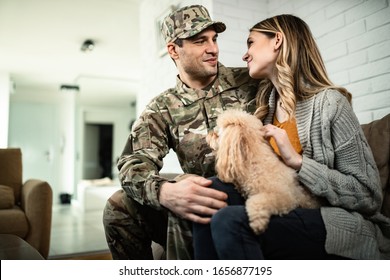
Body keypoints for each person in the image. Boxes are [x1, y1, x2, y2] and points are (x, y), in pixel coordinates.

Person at [193, 14, 390, 260]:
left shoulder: (331, 104)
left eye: (250, 42)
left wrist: (298, 163)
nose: (245, 55)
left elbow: (368, 196)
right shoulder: (265, 110)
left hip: (337, 224)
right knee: (208, 197)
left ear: (277, 40)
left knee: (229, 221)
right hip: (289, 211)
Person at [102, 4, 260, 260]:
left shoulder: (251, 82)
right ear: (174, 50)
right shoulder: (161, 107)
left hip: (254, 196)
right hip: (202, 200)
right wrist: (166, 192)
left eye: (214, 38)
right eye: (200, 41)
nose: (213, 49)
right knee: (118, 206)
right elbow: (132, 165)